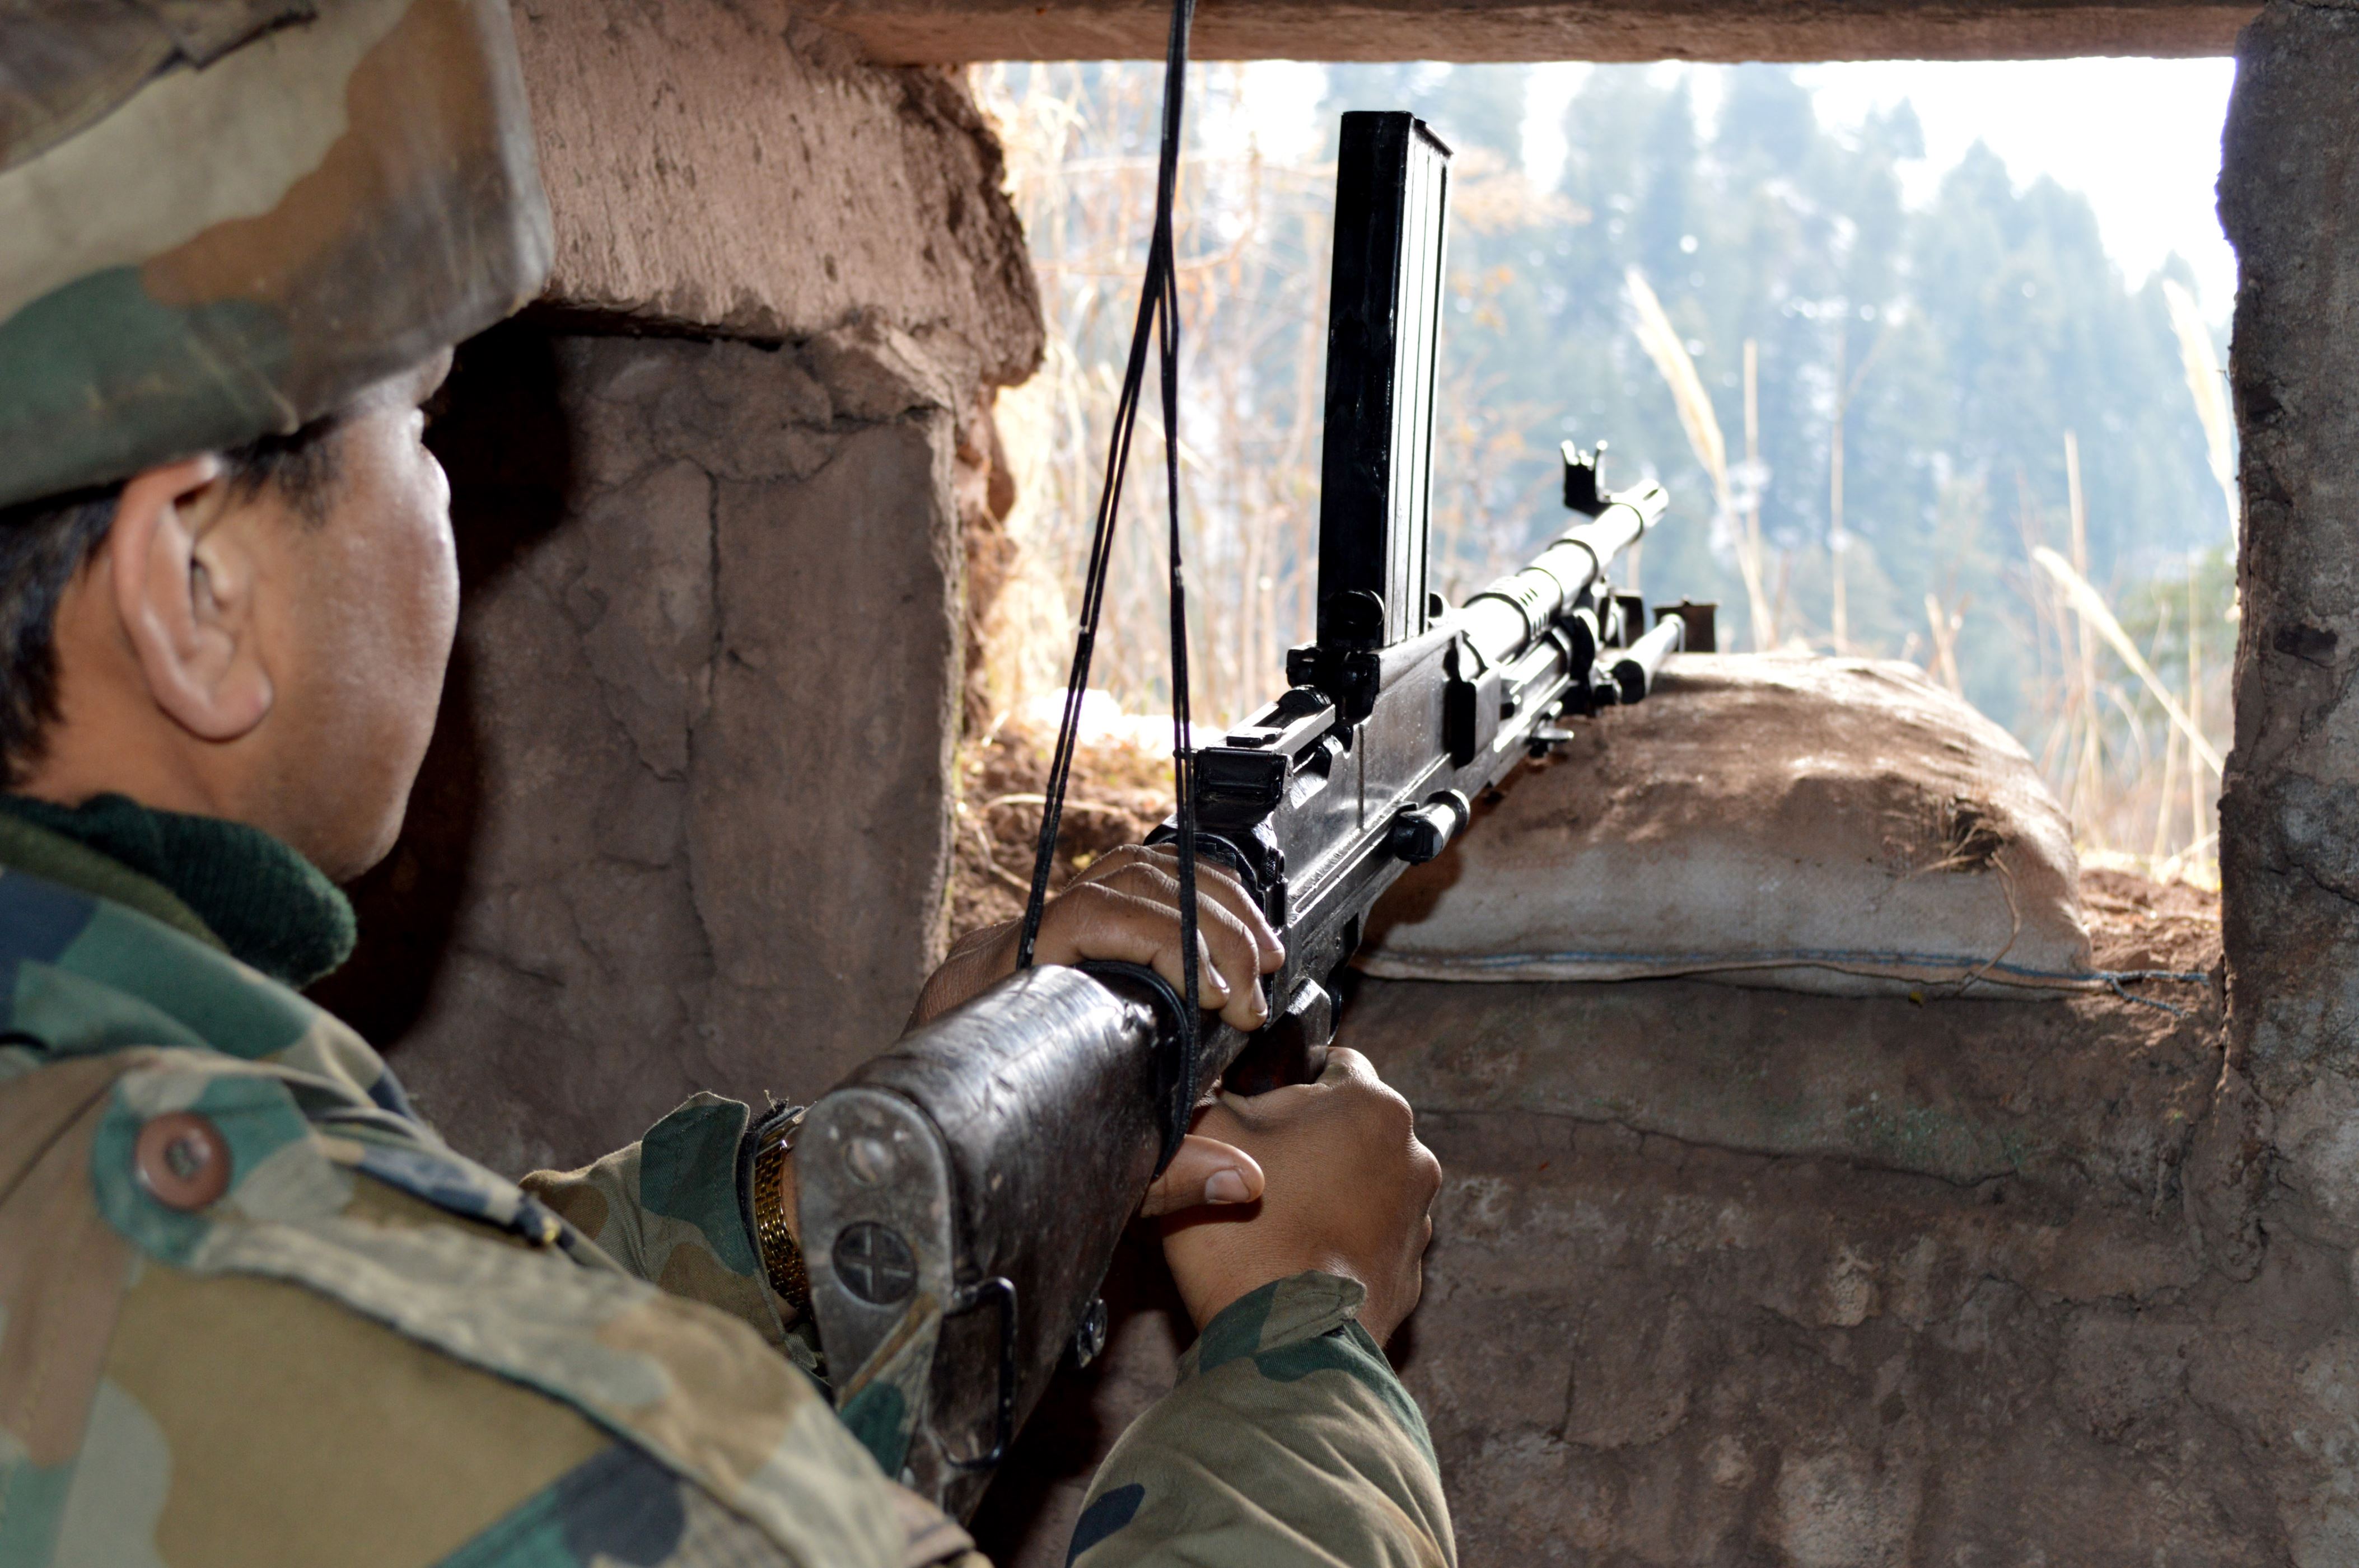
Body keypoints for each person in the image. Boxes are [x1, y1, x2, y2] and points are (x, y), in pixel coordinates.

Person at [0, 3, 1452, 1565]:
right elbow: (439, 1388)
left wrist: (889, 1177)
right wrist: (1309, 1352)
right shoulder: (269, 1317)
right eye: (420, 418)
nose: (456, 508)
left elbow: (466, 1307)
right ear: (195, 584)